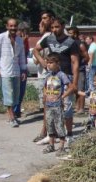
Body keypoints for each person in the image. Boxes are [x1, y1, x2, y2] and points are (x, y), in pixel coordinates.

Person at [34, 17, 79, 146]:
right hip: (52, 78)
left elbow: (75, 63)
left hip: (66, 77)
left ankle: (69, 135)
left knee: (67, 108)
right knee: (51, 107)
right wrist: (43, 61)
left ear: (62, 26)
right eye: (52, 27)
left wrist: (74, 83)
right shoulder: (49, 39)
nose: (54, 29)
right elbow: (36, 49)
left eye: (57, 27)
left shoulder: (71, 42)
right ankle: (51, 135)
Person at [0, 18, 27, 128]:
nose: (13, 28)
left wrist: (24, 70)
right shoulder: (1, 38)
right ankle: (11, 117)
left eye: (15, 26)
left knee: (16, 95)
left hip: (16, 71)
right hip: (5, 71)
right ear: (7, 26)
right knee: (8, 94)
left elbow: (22, 57)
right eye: (11, 26)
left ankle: (12, 116)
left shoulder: (19, 40)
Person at [42, 53, 71, 155]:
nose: (48, 65)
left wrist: (63, 96)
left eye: (51, 63)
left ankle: (62, 147)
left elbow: (70, 87)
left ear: (57, 63)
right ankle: (51, 145)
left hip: (58, 105)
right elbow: (45, 86)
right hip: (49, 105)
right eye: (47, 63)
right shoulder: (48, 75)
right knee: (49, 125)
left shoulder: (61, 75)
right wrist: (45, 96)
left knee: (59, 125)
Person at [33, 9, 55, 143]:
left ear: (52, 19)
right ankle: (45, 131)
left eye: (45, 18)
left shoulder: (59, 34)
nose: (42, 21)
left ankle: (52, 132)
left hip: (57, 75)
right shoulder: (46, 37)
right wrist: (43, 62)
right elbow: (36, 54)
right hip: (45, 74)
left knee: (57, 105)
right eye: (42, 18)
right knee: (47, 104)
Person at [68, 26, 90, 114]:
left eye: (71, 33)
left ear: (75, 34)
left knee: (81, 89)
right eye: (68, 33)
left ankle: (81, 108)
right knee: (75, 89)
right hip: (71, 70)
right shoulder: (69, 43)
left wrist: (80, 63)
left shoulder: (80, 44)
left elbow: (87, 57)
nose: (69, 35)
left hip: (80, 70)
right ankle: (77, 107)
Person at [13, 21, 30, 119]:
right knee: (15, 90)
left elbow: (26, 54)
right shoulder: (16, 40)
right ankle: (14, 110)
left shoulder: (26, 40)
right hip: (15, 68)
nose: (25, 34)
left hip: (23, 68)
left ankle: (18, 109)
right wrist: (22, 41)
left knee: (22, 90)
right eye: (23, 31)